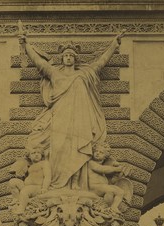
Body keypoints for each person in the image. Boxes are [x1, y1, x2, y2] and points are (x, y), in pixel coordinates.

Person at [19, 31, 125, 190]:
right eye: (66, 55)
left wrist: (114, 45)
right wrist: (25, 44)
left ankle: (76, 183)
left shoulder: (85, 73)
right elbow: (39, 62)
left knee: (79, 149)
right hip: (60, 117)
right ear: (62, 58)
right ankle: (57, 183)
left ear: (76, 59)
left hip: (81, 118)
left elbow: (100, 62)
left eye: (71, 55)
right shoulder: (54, 73)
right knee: (59, 149)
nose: (68, 58)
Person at [8, 146, 51, 214]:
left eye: (38, 153)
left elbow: (47, 176)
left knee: (24, 191)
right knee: (12, 182)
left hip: (37, 187)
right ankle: (17, 199)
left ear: (41, 155)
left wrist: (45, 188)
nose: (36, 154)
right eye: (33, 153)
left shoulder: (44, 163)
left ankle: (21, 209)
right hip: (27, 186)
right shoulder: (30, 166)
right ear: (30, 156)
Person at [88, 142, 125, 213]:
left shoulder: (104, 166)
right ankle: (106, 209)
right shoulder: (91, 163)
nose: (97, 153)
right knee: (111, 190)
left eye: (101, 152)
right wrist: (116, 169)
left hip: (101, 187)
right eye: (96, 151)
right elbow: (102, 169)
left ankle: (113, 207)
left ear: (105, 156)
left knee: (120, 191)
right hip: (94, 187)